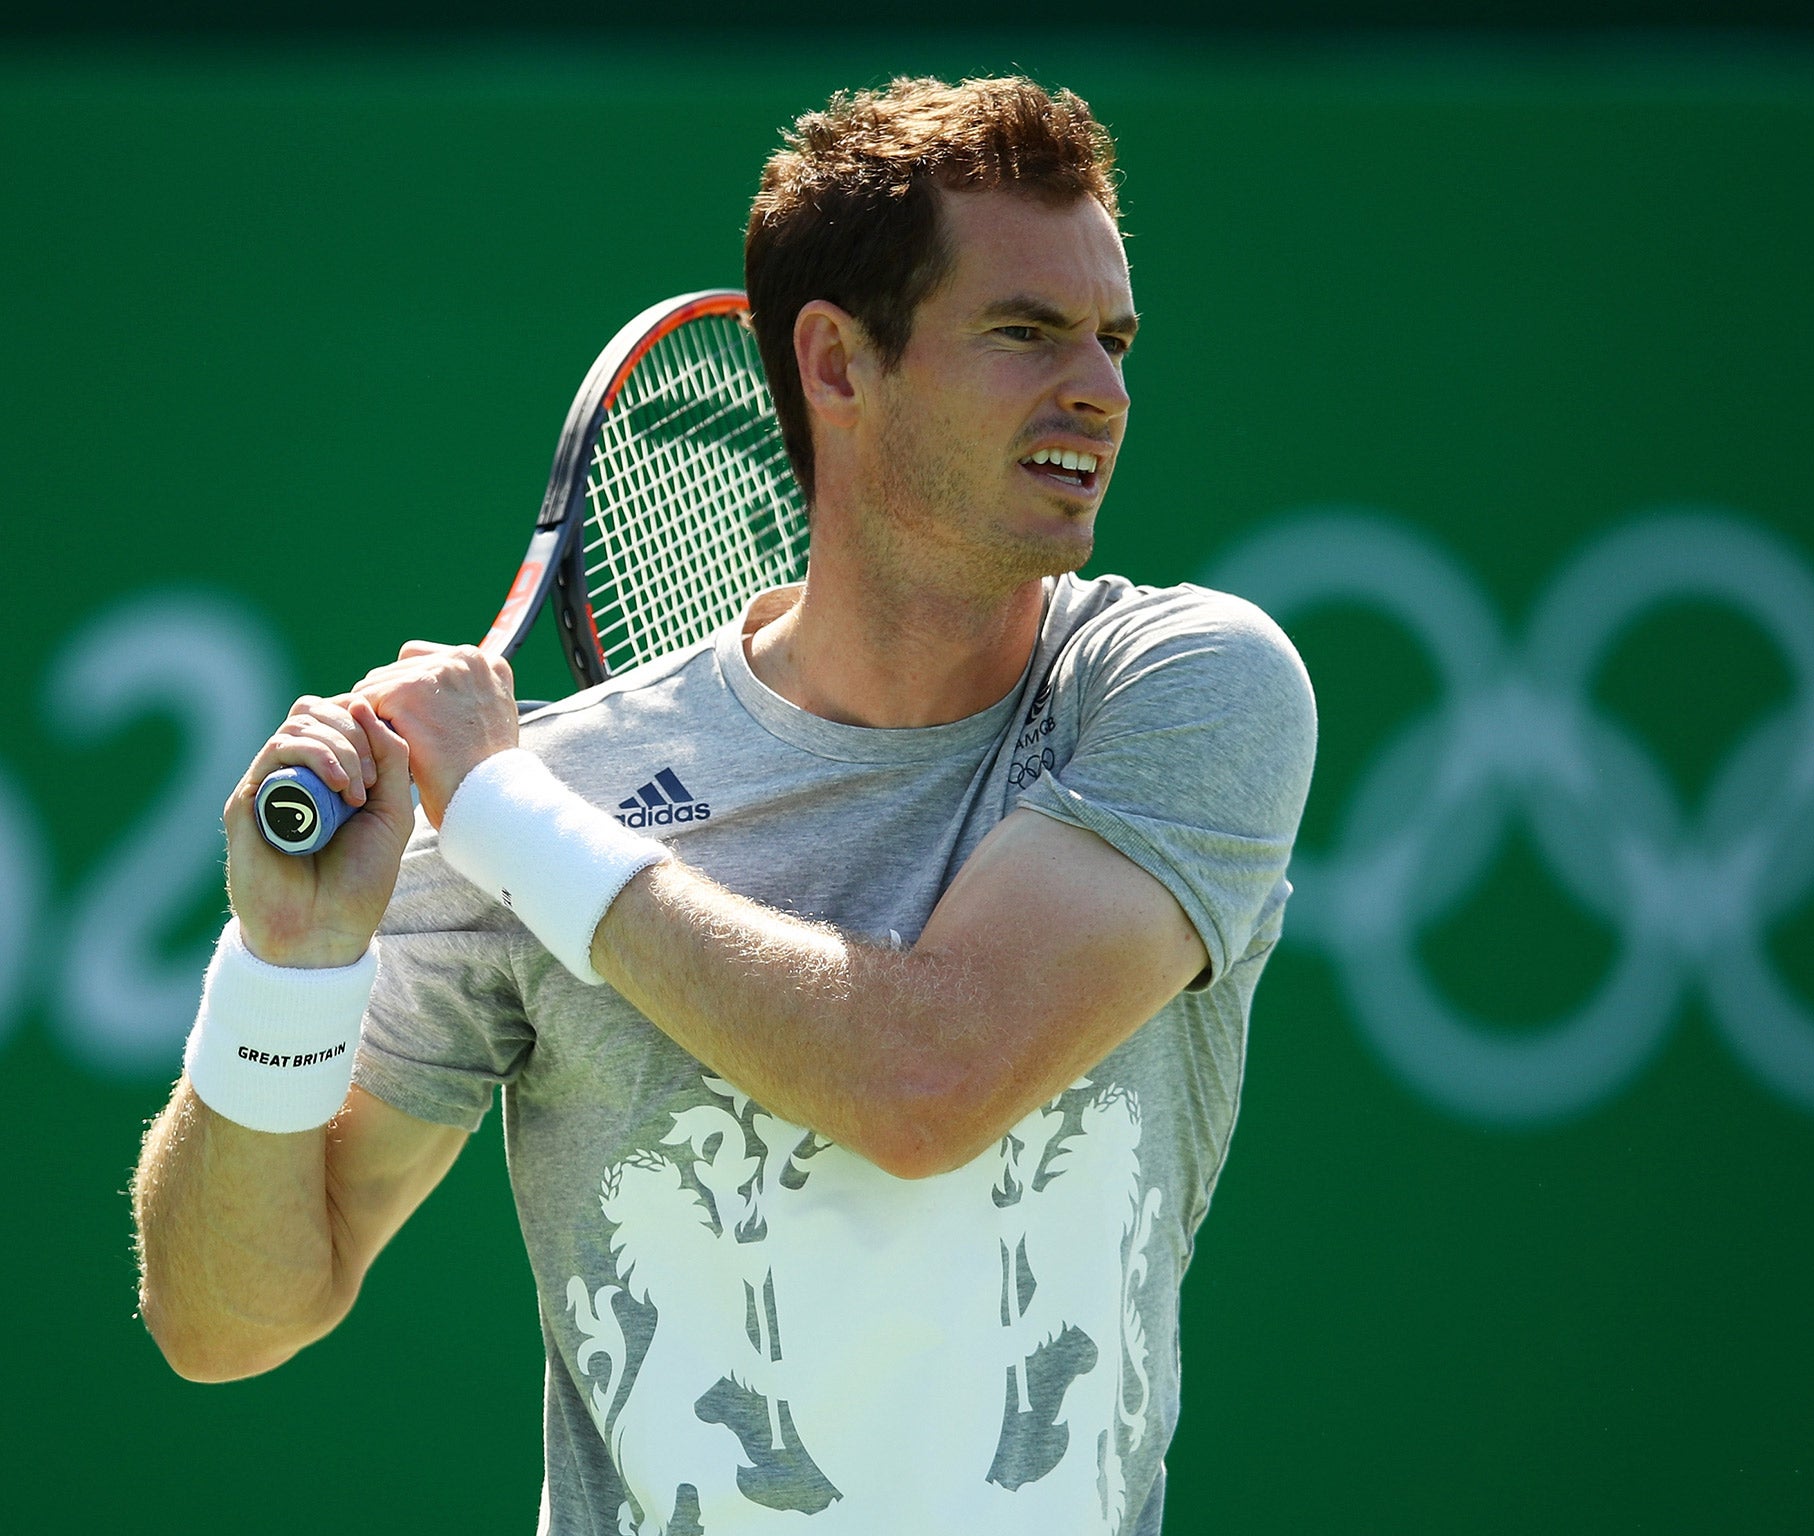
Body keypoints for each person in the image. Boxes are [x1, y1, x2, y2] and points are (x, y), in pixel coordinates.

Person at [132, 74, 1315, 1536]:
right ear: (835, 362)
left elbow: (927, 1081)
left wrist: (505, 819)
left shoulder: (1185, 686)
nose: (1102, 389)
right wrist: (284, 965)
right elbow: (228, 1322)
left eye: (1114, 338)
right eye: (1025, 332)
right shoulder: (536, 805)